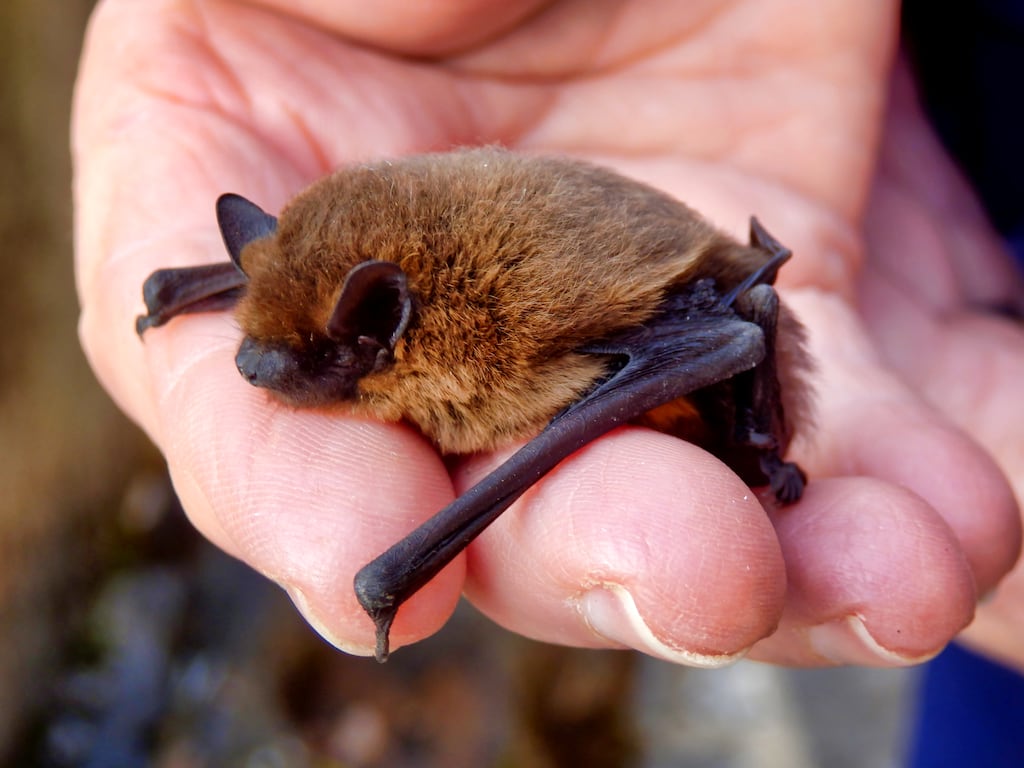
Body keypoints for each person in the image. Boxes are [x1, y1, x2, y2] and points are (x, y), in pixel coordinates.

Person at [73, 0, 1023, 670]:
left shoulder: (486, 351)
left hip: (684, 302)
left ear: (384, 335)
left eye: (320, 351)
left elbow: (740, 333)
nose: (266, 365)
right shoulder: (358, 277)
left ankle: (754, 455)